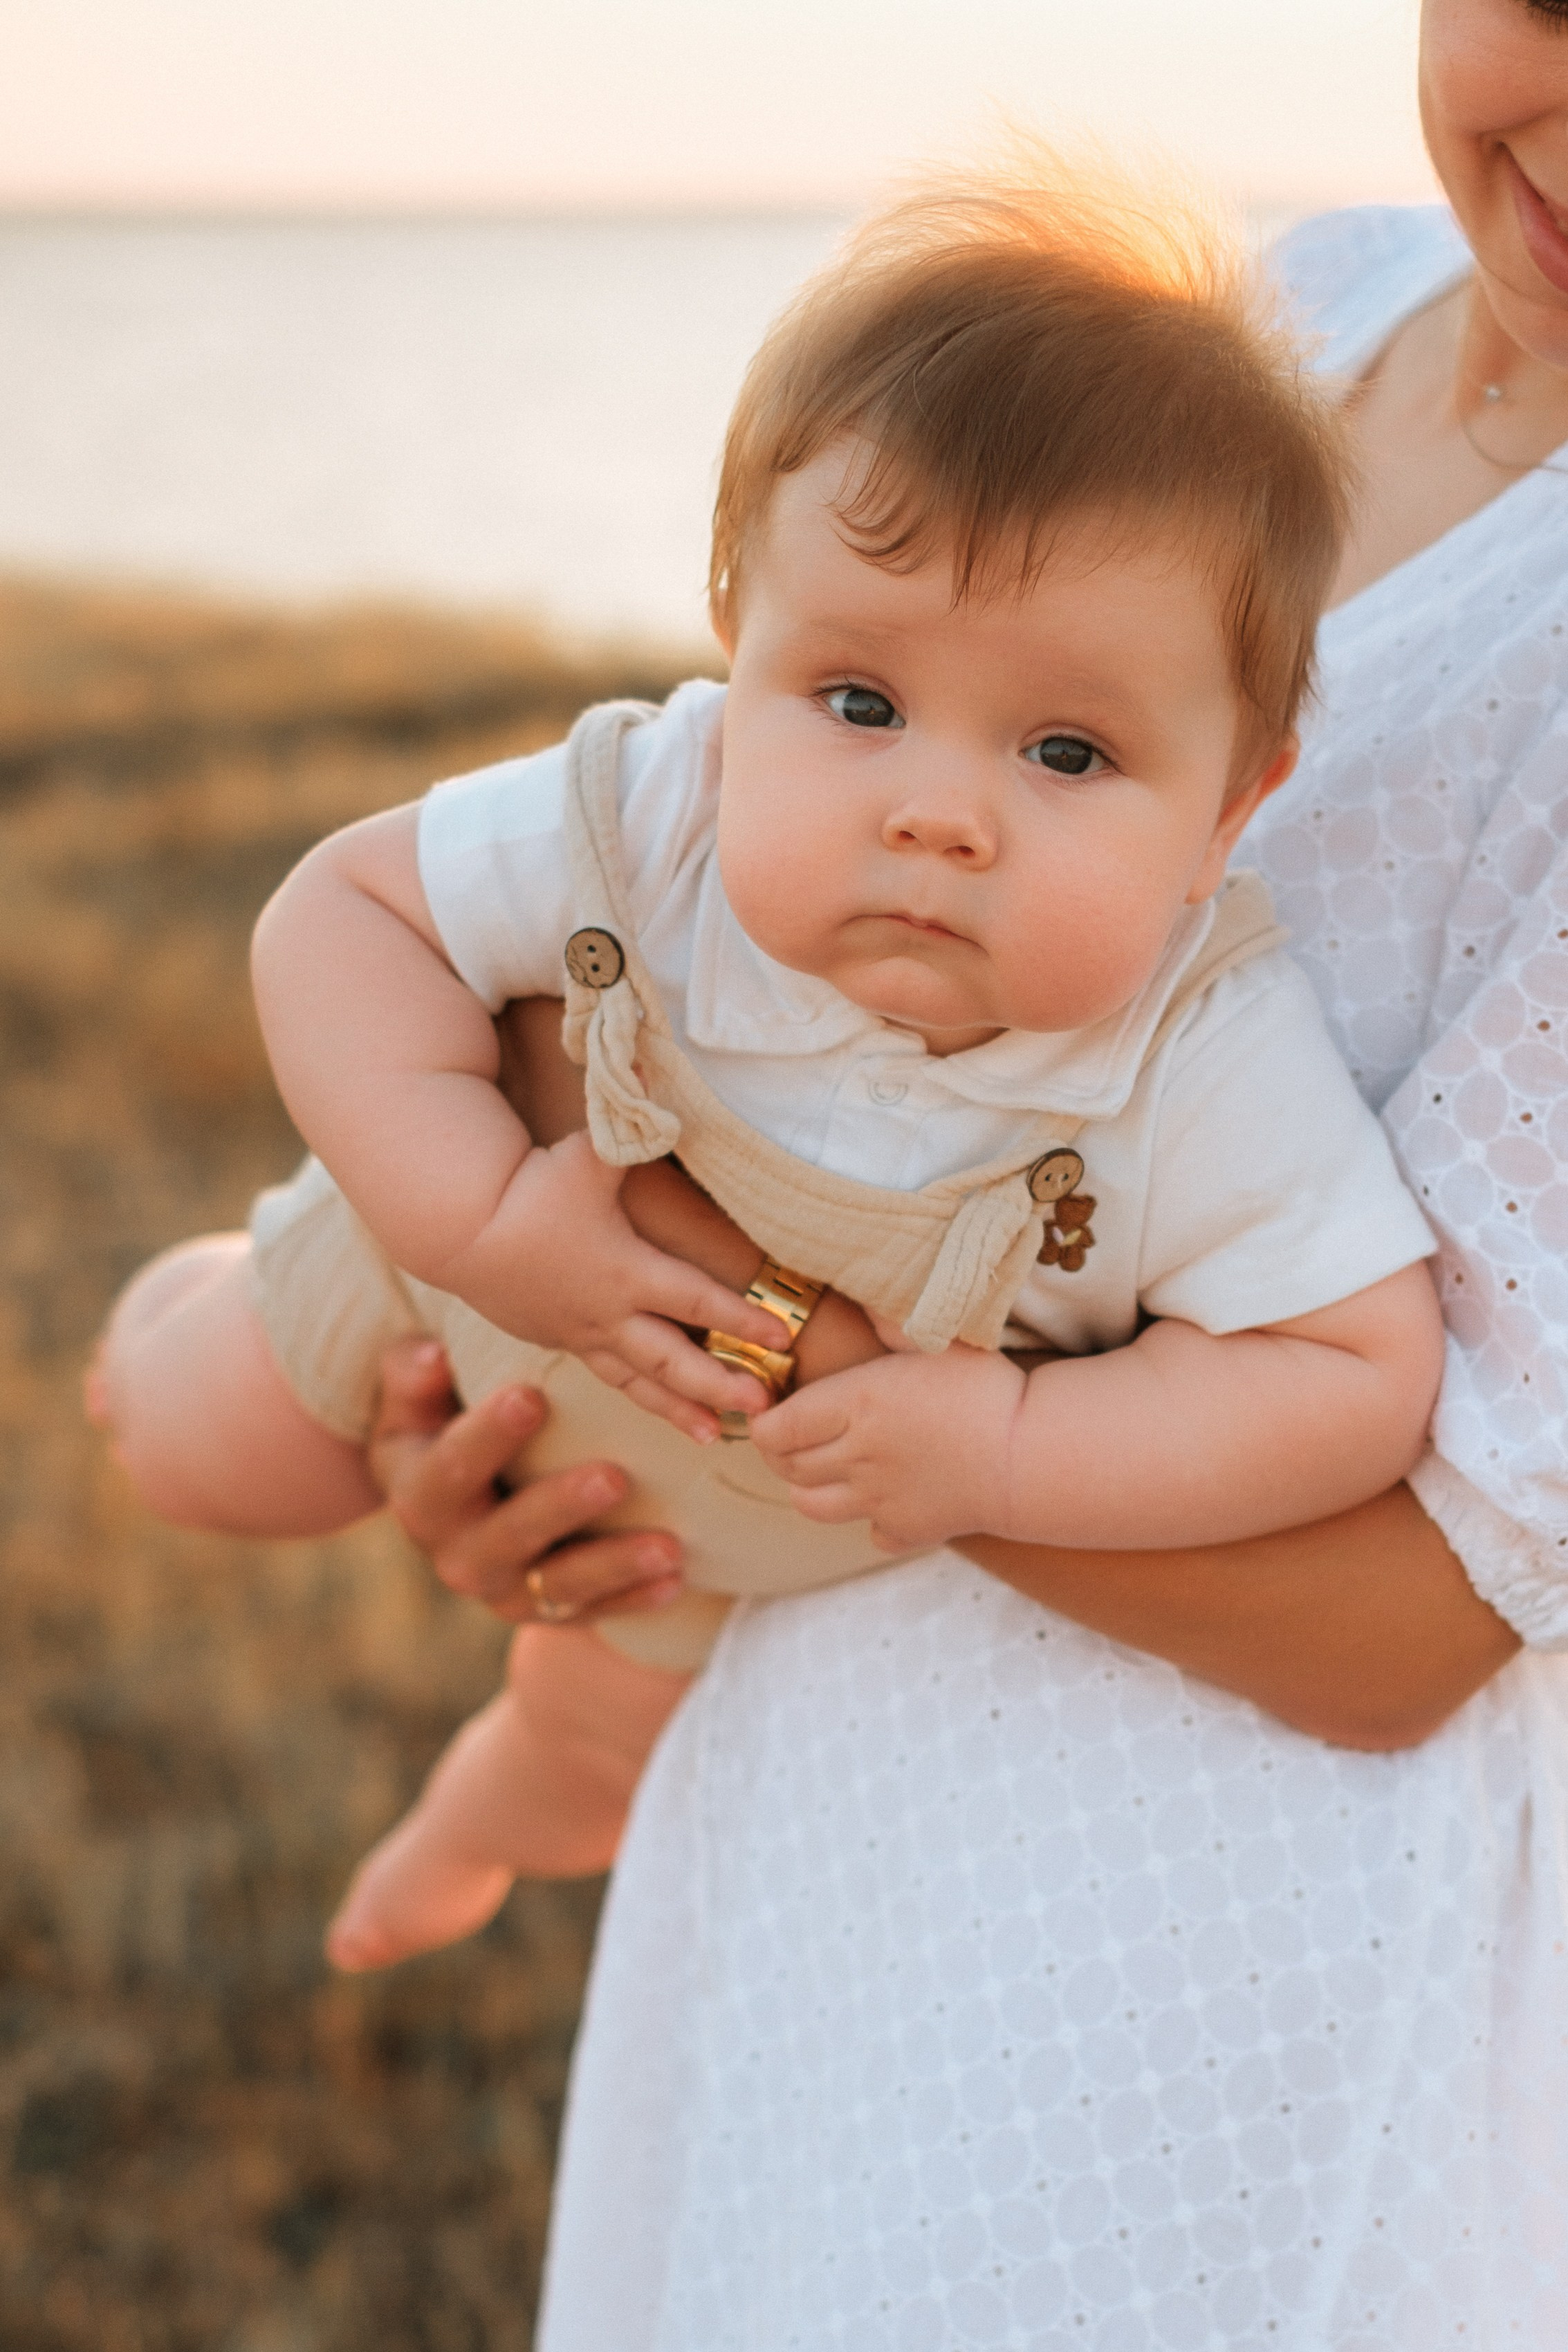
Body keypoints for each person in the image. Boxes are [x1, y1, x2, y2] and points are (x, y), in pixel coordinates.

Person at [362, 6, 1568, 2340]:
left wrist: (771, 1353)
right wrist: (574, 1389)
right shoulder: (1268, 320)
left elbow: (1431, 1603)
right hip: (820, 1811)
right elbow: (726, 884)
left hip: (1220, 2009)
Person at [97, 157, 1446, 1976]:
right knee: (201, 1446)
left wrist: (1013, 1442)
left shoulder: (1196, 1052)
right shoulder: (655, 808)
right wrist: (480, 1215)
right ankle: (173, 1319)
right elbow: (343, 918)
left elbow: (1352, 1367)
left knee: (594, 1725)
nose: (938, 815)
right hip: (462, 1281)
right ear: (739, 658)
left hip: (732, 1523)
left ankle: (493, 1807)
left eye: (1063, 751)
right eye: (861, 705)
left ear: (1230, 806)